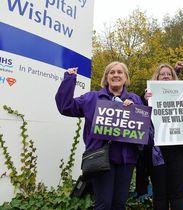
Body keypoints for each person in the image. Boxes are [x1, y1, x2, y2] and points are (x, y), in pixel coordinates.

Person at [55, 62, 143, 209]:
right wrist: (69, 79)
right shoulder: (92, 98)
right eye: (112, 72)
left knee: (119, 204)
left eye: (120, 72)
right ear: (106, 77)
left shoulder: (135, 100)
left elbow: (146, 130)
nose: (116, 75)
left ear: (126, 77)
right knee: (103, 205)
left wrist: (134, 112)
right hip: (101, 161)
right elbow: (65, 106)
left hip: (126, 161)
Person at [144, 63, 183, 210]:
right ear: (157, 77)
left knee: (177, 193)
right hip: (157, 152)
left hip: (178, 149)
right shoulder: (148, 95)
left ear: (173, 77)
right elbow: (140, 116)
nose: (166, 76)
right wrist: (145, 100)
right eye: (163, 74)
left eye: (169, 74)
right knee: (160, 193)